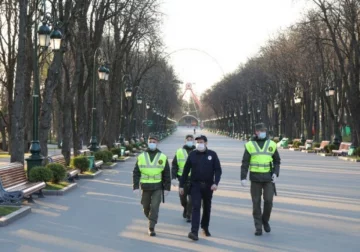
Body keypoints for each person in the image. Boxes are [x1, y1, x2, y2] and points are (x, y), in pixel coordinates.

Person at [240, 123, 281, 236]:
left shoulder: (271, 144)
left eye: (264, 130)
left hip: (268, 179)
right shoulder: (250, 145)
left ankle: (265, 220)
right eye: (260, 130)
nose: (262, 132)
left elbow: (277, 161)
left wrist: (275, 173)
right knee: (256, 203)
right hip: (255, 179)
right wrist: (243, 177)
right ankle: (258, 227)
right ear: (256, 132)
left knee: (268, 201)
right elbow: (245, 162)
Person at [179, 135, 222, 241]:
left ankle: (205, 227)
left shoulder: (212, 154)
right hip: (195, 185)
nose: (199, 144)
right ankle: (194, 232)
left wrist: (215, 183)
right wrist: (181, 185)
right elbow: (185, 171)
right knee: (195, 207)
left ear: (206, 143)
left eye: (201, 142)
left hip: (208, 186)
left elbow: (218, 170)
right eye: (197, 142)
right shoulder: (192, 155)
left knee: (207, 208)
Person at [133, 135, 171, 236]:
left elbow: (167, 173)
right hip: (145, 187)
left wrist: (167, 188)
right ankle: (152, 219)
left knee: (154, 206)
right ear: (147, 142)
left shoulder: (162, 156)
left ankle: (151, 227)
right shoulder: (141, 156)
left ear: (157, 142)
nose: (152, 143)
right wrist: (135, 187)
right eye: (150, 141)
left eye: (154, 141)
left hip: (157, 187)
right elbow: (136, 172)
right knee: (145, 207)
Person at [171, 134, 196, 222]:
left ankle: (189, 214)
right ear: (185, 141)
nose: (189, 141)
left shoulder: (198, 151)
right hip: (183, 179)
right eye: (188, 139)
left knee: (192, 199)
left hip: (195, 179)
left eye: (191, 139)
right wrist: (173, 177)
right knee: (182, 198)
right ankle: (185, 208)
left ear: (193, 141)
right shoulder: (179, 151)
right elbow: (174, 165)